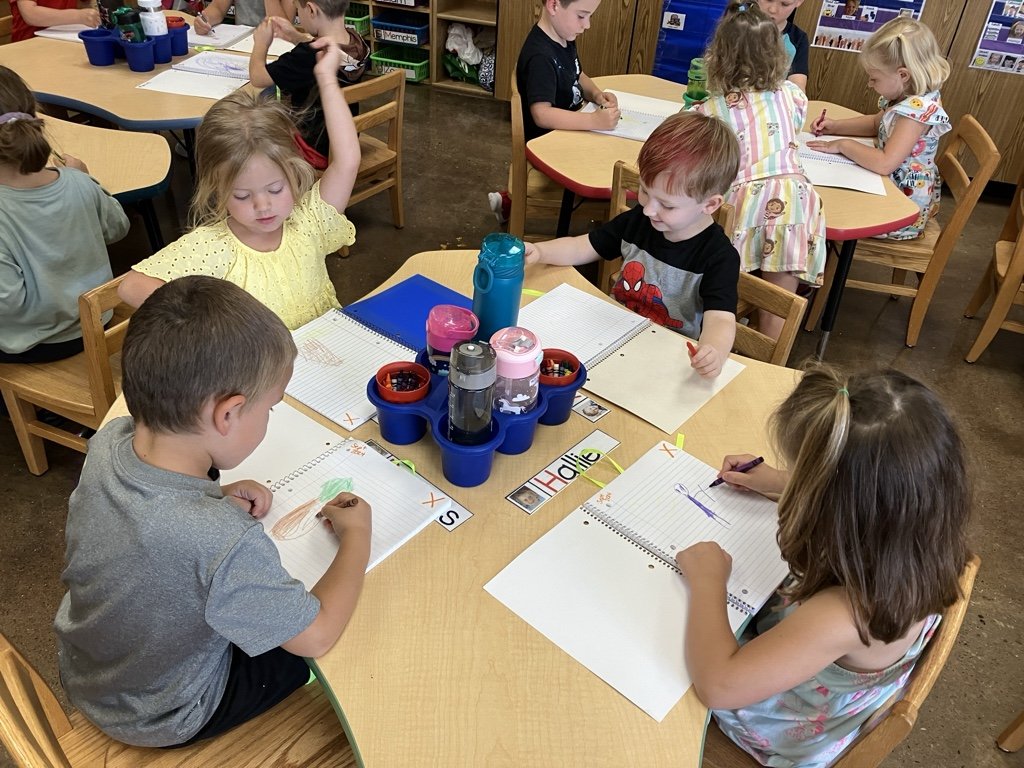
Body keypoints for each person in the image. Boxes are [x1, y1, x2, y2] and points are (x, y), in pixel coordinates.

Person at [54, 275, 374, 748]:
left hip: (90, 667)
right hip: (164, 712)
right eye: (270, 408)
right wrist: (357, 538)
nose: (269, 419)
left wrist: (215, 497)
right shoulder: (222, 541)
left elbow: (149, 518)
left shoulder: (110, 442)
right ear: (228, 414)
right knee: (327, 653)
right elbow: (316, 635)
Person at [678, 364, 971, 767]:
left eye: (802, 473)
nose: (794, 479)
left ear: (836, 505)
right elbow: (870, 491)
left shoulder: (845, 613)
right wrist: (779, 481)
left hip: (780, 730)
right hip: (824, 687)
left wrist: (708, 581)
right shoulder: (921, 538)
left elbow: (717, 686)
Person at [118, 39, 360, 330]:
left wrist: (326, 80)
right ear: (217, 190)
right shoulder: (213, 248)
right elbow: (131, 286)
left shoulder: (309, 222)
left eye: (275, 189)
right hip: (265, 373)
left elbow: (346, 160)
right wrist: (210, 323)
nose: (263, 205)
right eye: (243, 196)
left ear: (295, 175)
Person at [524, 112, 741, 379]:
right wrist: (541, 251)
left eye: (667, 204)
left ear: (710, 205)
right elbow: (585, 246)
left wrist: (714, 352)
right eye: (644, 191)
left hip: (666, 357)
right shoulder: (640, 220)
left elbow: (720, 319)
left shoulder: (719, 256)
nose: (649, 209)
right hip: (612, 335)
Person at [695, 1, 826, 340]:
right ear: (778, 56)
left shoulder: (710, 109)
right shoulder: (793, 96)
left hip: (743, 207)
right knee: (777, 304)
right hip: (795, 201)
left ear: (718, 57)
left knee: (725, 290)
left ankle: (721, 343)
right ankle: (771, 356)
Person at [0, 66, 129, 364]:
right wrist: (87, 179)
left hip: (38, 343)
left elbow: (8, 303)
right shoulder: (76, 180)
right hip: (99, 320)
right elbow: (117, 228)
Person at [808, 17, 951, 240]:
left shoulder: (916, 111)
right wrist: (835, 127)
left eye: (874, 78)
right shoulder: (905, 95)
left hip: (900, 208)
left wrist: (843, 145)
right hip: (887, 187)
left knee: (822, 213)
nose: (869, 84)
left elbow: (885, 163)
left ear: (903, 75)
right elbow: (877, 124)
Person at [488, 0, 620, 223]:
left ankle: (508, 202)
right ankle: (607, 221)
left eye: (590, 17)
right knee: (612, 169)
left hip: (565, 134)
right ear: (553, 5)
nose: (586, 25)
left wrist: (597, 95)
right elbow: (542, 114)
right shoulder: (540, 56)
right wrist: (593, 120)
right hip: (549, 146)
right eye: (581, 16)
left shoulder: (563, 37)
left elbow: (578, 74)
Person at [248, 0, 369, 169]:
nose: (298, 16)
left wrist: (261, 43)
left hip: (314, 148)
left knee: (253, 131)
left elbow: (257, 77)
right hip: (344, 140)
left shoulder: (306, 56)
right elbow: (320, 47)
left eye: (298, 11)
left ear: (311, 10)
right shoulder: (358, 43)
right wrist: (294, 36)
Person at [755, 0, 811, 91]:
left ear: (799, 1)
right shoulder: (736, 27)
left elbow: (798, 86)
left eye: (785, 4)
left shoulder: (798, 38)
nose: (772, 9)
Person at [10, 0, 99, 42]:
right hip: (30, 43)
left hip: (66, 39)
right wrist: (79, 16)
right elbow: (30, 15)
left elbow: (85, 3)